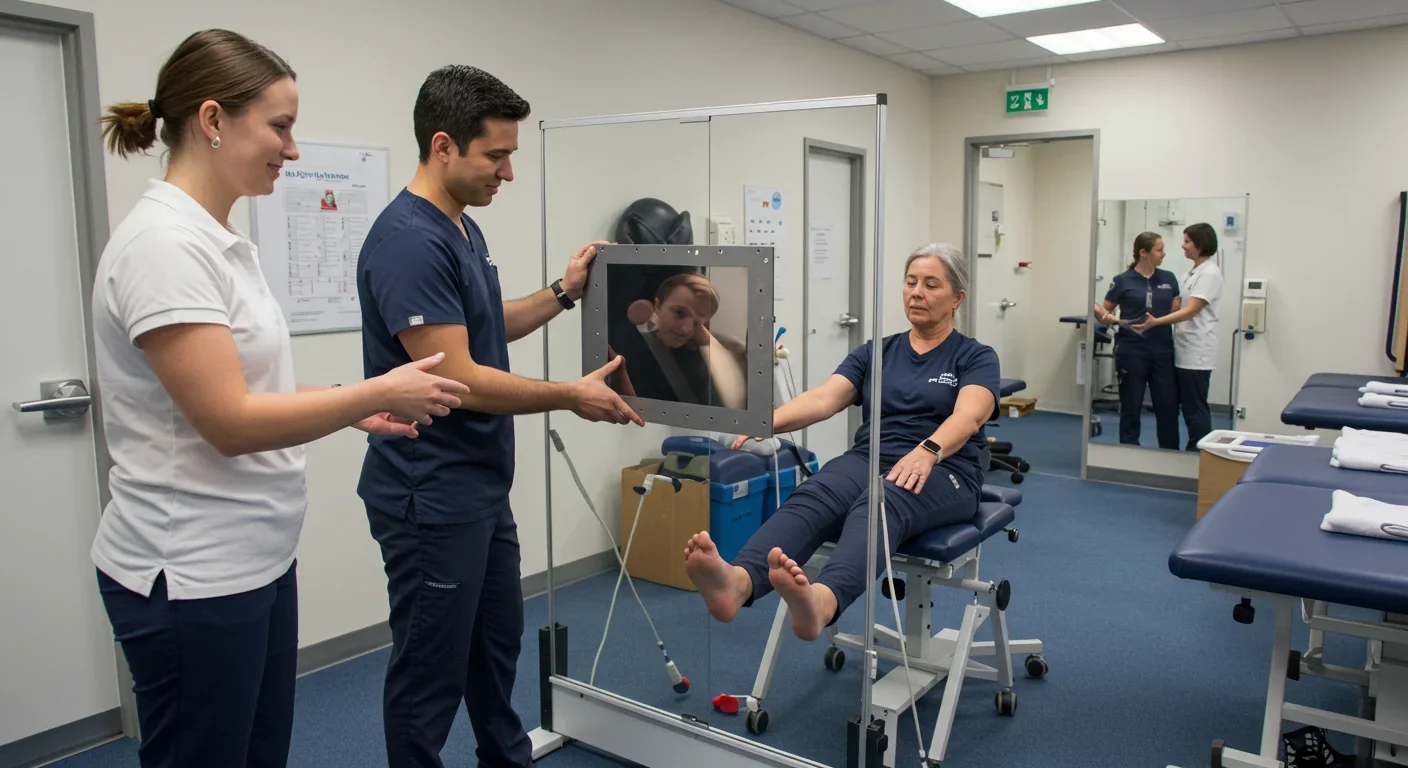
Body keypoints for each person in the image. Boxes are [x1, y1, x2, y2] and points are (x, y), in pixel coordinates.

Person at [90, 30, 470, 768]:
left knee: (257, 754)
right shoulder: (164, 248)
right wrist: (378, 386)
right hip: (191, 574)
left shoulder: (217, 239)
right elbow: (229, 422)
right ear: (212, 119)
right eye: (280, 126)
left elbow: (239, 387)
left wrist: (347, 401)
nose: (292, 150)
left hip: (255, 556)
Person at [355, 64, 644, 768]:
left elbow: (481, 329)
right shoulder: (408, 241)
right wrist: (571, 394)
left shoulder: (459, 227)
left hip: (479, 486)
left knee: (493, 650)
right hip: (431, 493)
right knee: (431, 673)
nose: (508, 173)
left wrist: (562, 292)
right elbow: (457, 376)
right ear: (444, 145)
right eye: (497, 155)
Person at [682, 244, 999, 642]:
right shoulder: (878, 352)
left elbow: (968, 416)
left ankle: (821, 602)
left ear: (957, 299)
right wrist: (769, 421)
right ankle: (737, 582)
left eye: (931, 285)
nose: (916, 292)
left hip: (948, 469)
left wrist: (928, 450)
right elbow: (825, 398)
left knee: (882, 499)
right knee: (816, 491)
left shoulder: (975, 356)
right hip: (871, 456)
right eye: (910, 282)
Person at [1133, 223, 1223, 450]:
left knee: (1195, 408)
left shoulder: (1210, 273)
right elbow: (1177, 307)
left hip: (1197, 351)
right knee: (1185, 406)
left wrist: (1155, 322)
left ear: (1199, 245)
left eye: (1186, 242)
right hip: (1183, 349)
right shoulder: (1191, 273)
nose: (1182, 247)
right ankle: (1191, 451)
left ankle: (1199, 454)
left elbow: (1192, 309)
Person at [1094, 231, 1181, 449]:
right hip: (1131, 351)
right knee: (1131, 405)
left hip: (1162, 350)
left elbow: (1176, 311)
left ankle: (1170, 452)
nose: (1164, 254)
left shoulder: (1169, 278)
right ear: (1143, 253)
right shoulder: (1122, 281)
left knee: (1167, 406)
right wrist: (1114, 320)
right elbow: (1104, 312)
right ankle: (1128, 451)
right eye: (1159, 250)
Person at [609, 273, 748, 407]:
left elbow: (732, 405)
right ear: (657, 305)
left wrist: (705, 341)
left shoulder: (705, 357)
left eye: (698, 322)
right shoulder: (627, 348)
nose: (686, 330)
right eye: (679, 313)